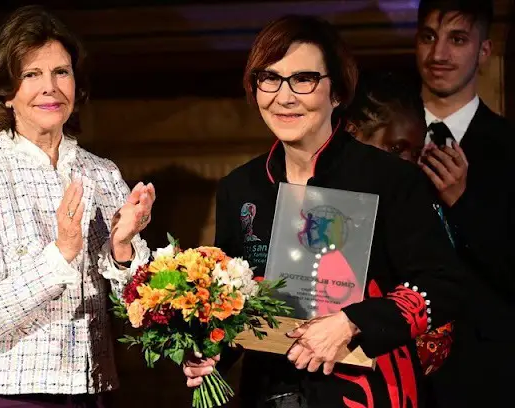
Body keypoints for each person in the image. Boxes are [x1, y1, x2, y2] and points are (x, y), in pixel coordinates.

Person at [183, 15, 465, 408]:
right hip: (269, 392)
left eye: (303, 79)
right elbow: (235, 304)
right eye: (270, 78)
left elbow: (443, 285)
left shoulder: (389, 179)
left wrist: (352, 322)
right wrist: (212, 354)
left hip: (369, 391)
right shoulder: (241, 187)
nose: (284, 97)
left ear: (337, 91)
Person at [0, 6, 154, 408]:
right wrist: (61, 254)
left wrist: (123, 247)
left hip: (88, 390)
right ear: (6, 94)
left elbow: (137, 312)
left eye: (61, 72)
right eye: (31, 74)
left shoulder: (103, 173)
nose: (50, 88)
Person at [414, 1, 515, 406]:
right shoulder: (379, 139)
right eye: (428, 37)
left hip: (485, 373)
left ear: (484, 51)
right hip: (391, 363)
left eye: (457, 39)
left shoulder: (509, 147)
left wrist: (463, 204)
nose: (439, 54)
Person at [345, 71, 455, 376]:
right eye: (396, 148)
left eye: (415, 153)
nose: (407, 162)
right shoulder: (323, 212)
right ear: (352, 134)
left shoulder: (417, 209)